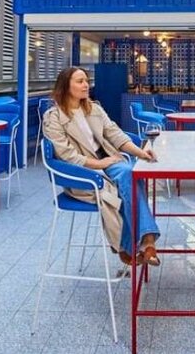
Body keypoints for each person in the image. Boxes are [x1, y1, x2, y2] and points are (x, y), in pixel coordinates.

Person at [42, 66, 161, 266]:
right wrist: (98, 163)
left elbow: (115, 134)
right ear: (65, 86)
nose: (86, 85)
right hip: (84, 173)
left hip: (106, 161)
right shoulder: (53, 117)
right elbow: (67, 155)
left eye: (86, 80)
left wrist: (141, 153)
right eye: (80, 81)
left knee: (130, 174)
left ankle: (134, 246)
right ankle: (141, 243)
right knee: (127, 178)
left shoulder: (94, 108)